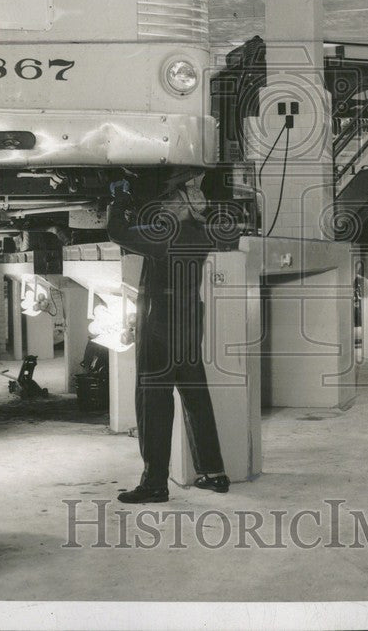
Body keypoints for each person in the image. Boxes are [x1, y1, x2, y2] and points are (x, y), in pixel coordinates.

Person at [107, 174, 230, 504]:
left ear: (183, 207)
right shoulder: (201, 234)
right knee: (195, 396)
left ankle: (154, 483)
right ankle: (213, 472)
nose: (164, 205)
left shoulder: (167, 234)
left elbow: (117, 232)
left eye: (170, 202)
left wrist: (119, 201)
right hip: (189, 321)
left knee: (153, 402)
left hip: (161, 320)